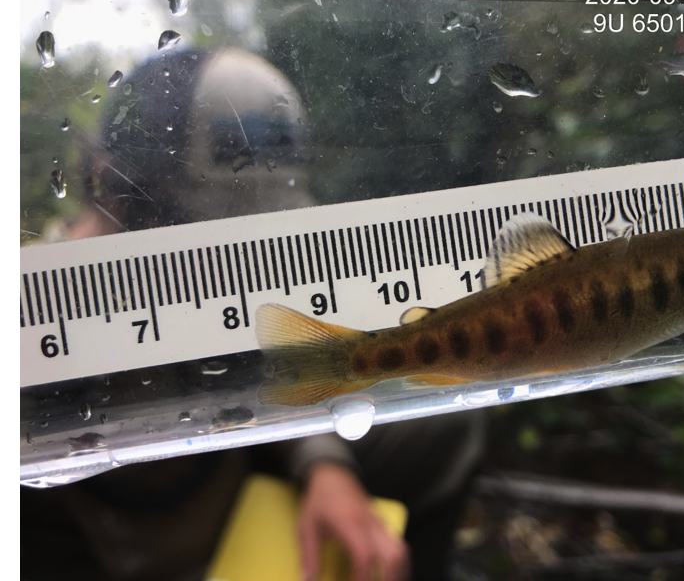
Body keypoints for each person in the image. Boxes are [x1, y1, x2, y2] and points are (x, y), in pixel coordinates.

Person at [23, 46, 487, 581]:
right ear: (114, 192)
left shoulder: (218, 279)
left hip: (244, 487)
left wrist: (322, 462)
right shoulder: (28, 321)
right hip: (113, 550)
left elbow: (261, 366)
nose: (240, 273)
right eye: (210, 237)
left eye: (259, 241)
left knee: (445, 424)